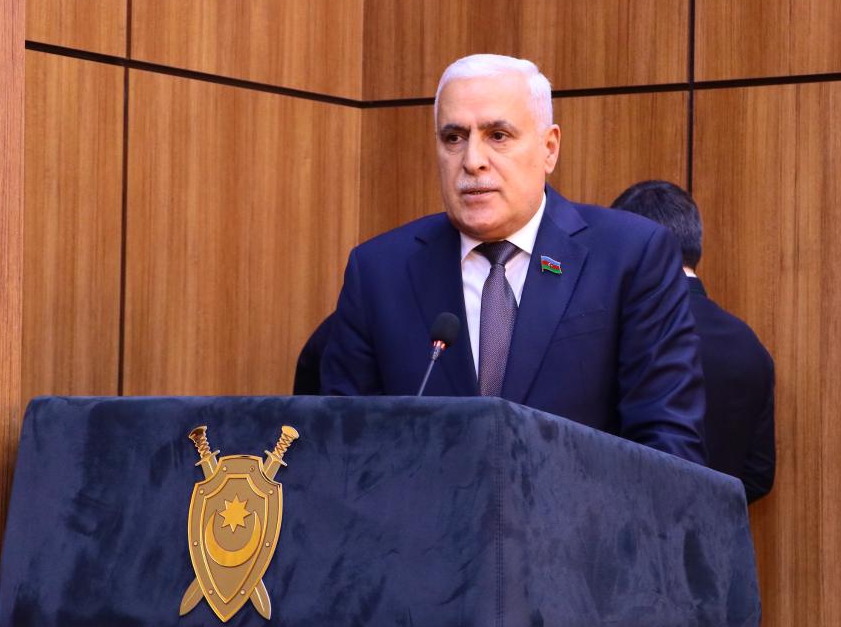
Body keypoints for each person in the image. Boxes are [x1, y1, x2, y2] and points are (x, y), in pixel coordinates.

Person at [319, 54, 706, 465]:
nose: (472, 160)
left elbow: (669, 445)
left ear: (549, 148)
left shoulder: (630, 256)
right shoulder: (379, 272)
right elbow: (342, 447)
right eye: (454, 138)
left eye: (498, 135)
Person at [611, 180, 775, 501]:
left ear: (631, 245)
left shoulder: (622, 330)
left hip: (624, 522)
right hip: (714, 529)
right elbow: (758, 475)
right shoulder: (750, 345)